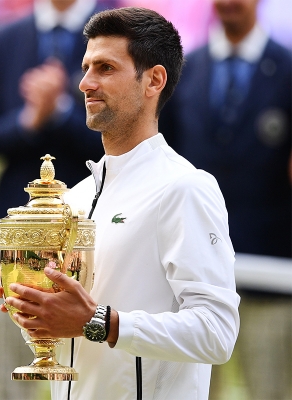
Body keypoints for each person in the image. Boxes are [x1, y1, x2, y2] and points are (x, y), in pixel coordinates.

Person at [0, 7, 240, 399]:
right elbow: (78, 323)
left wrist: (100, 322)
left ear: (154, 80)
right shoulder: (75, 197)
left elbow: (217, 332)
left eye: (105, 68)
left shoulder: (185, 188)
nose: (85, 83)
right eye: (86, 68)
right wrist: (37, 302)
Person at [159, 0, 291, 398]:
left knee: (271, 389)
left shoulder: (287, 70)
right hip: (192, 273)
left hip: (270, 271)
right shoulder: (184, 70)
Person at [0, 0, 111, 229]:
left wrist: (61, 111)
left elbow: (128, 135)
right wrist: (28, 120)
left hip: (91, 214)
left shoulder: (118, 39)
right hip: (16, 210)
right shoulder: (2, 38)